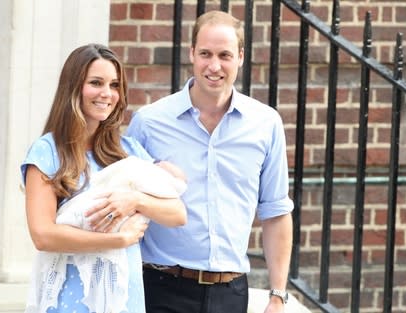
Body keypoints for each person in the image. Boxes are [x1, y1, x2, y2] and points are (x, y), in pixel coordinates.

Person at [126, 10, 294, 313]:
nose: (214, 66)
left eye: (224, 55)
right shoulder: (149, 123)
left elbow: (276, 212)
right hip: (160, 288)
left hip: (230, 294)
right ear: (192, 54)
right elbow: (127, 205)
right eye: (205, 53)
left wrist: (278, 295)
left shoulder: (265, 124)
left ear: (241, 57)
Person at [21, 43, 186, 313]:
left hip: (123, 296)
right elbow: (43, 235)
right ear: (73, 88)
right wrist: (117, 241)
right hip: (71, 298)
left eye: (115, 85)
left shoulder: (129, 152)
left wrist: (134, 199)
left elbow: (177, 212)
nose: (107, 94)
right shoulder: (47, 152)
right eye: (96, 83)